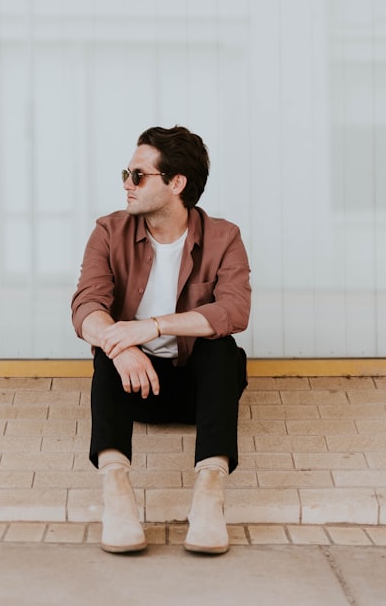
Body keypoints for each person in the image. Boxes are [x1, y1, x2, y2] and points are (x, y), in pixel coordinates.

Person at [70, 126, 251, 555]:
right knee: (105, 353)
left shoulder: (224, 238)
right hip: (136, 386)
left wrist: (150, 326)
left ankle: (209, 497)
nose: (127, 185)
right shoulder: (109, 232)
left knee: (223, 351)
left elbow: (234, 311)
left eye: (138, 176)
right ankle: (117, 497)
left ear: (176, 184)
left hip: (199, 391)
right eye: (125, 174)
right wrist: (123, 345)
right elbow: (86, 305)